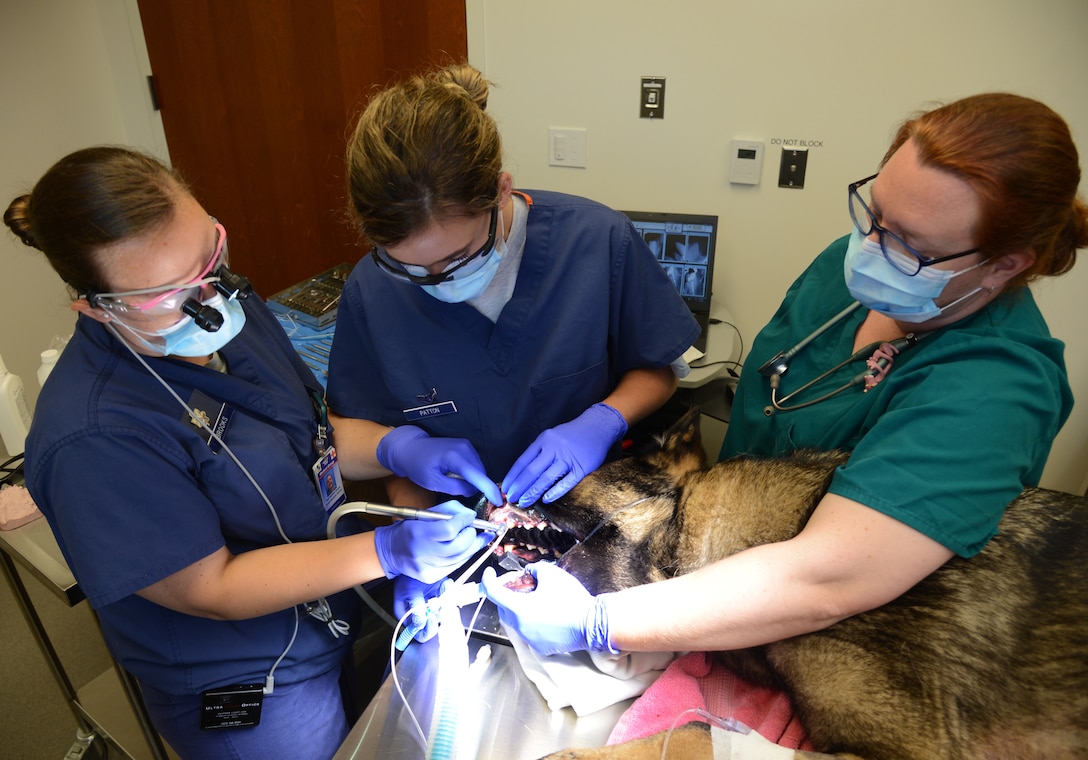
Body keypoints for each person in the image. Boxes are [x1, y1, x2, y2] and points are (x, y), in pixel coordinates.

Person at [482, 93, 1084, 662]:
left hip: (838, 643)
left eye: (911, 246)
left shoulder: (996, 390)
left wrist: (602, 625)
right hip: (714, 577)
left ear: (1003, 264)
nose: (870, 247)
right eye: (874, 215)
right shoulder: (841, 273)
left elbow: (827, 579)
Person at [5, 146, 489, 760]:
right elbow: (215, 587)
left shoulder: (226, 308)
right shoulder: (95, 437)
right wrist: (386, 549)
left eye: (210, 256)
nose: (207, 299)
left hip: (326, 614)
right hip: (248, 684)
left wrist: (399, 449)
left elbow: (307, 432)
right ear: (95, 307)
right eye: (168, 295)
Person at [325, 64, 699, 636]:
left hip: (596, 539)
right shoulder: (374, 291)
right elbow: (360, 429)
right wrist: (416, 516)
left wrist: (602, 419)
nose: (435, 281)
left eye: (457, 259)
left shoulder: (595, 243)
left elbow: (657, 370)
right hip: (465, 556)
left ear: (501, 191)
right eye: (410, 267)